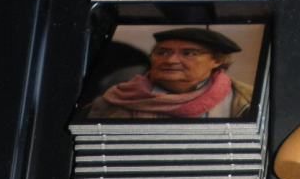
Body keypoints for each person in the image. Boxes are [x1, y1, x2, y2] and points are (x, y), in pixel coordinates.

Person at [86, 27, 250, 119]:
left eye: (188, 53)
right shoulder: (116, 98)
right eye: (162, 52)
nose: (170, 60)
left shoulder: (245, 100)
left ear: (217, 60)